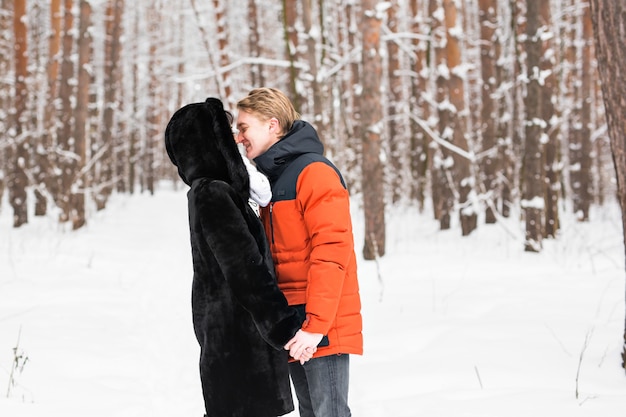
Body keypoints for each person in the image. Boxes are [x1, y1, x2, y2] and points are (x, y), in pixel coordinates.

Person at [164, 97, 312, 417]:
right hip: (237, 341)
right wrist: (285, 327)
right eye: (226, 133)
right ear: (209, 141)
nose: (236, 139)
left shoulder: (217, 190)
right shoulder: (213, 192)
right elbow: (245, 269)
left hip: (234, 335)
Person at [235, 88, 363, 417]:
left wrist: (316, 326)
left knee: (329, 412)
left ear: (272, 125)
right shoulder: (272, 183)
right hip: (295, 321)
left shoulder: (314, 173)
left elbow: (332, 252)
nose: (239, 137)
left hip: (319, 322)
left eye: (244, 127)